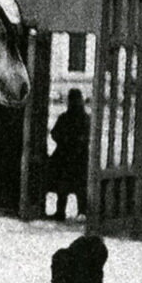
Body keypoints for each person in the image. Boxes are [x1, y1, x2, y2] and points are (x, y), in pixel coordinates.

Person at [49, 89, 90, 220]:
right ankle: (80, 212)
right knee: (78, 187)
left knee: (65, 187)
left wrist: (64, 141)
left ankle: (62, 212)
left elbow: (54, 133)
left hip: (65, 156)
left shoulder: (65, 118)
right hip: (77, 157)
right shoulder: (84, 119)